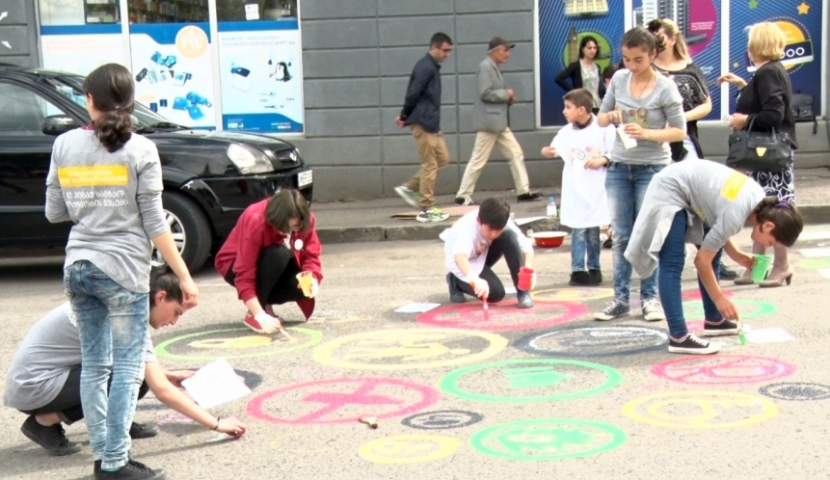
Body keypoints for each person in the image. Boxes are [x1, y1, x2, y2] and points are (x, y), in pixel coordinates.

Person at [45, 63, 199, 480]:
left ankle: (105, 458)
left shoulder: (64, 145)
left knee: (96, 367)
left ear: (88, 100)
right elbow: (155, 220)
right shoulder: (141, 150)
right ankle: (114, 462)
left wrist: (89, 202)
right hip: (123, 271)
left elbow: (54, 211)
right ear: (131, 103)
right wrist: (183, 274)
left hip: (77, 267)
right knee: (128, 369)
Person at [3, 270, 247, 458]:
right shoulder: (125, 318)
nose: (174, 322)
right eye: (176, 312)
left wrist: (166, 373)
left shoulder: (126, 303)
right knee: (132, 376)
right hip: (34, 388)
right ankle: (43, 423)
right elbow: (161, 391)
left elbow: (141, 364)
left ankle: (116, 423)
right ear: (161, 297)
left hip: (45, 380)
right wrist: (217, 424)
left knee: (138, 376)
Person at [625, 159, 803, 354]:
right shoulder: (737, 213)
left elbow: (719, 224)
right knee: (672, 263)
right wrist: (720, 298)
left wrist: (739, 256)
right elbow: (701, 261)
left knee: (713, 253)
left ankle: (714, 319)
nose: (766, 246)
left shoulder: (757, 199)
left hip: (689, 188)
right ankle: (679, 336)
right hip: (671, 190)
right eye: (770, 242)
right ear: (769, 225)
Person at [594, 27, 686, 322]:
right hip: (620, 166)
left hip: (653, 168)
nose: (631, 66)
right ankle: (620, 299)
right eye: (626, 59)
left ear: (653, 55)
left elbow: (679, 131)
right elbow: (600, 116)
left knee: (647, 236)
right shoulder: (619, 79)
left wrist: (646, 132)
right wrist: (610, 117)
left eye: (638, 60)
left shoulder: (665, 87)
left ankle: (649, 299)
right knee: (620, 236)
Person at [647, 18, 740, 280]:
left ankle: (714, 258)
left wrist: (681, 118)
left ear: (672, 39)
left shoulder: (689, 68)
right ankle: (657, 265)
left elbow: (706, 104)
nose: (656, 42)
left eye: (660, 37)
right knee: (661, 204)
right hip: (653, 143)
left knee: (701, 203)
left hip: (684, 142)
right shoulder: (647, 69)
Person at [718, 22, 798, 288]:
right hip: (767, 155)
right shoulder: (770, 71)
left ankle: (780, 266)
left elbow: (773, 113)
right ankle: (759, 266)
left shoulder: (768, 73)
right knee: (762, 211)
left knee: (774, 213)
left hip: (769, 157)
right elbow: (766, 104)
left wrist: (744, 120)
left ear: (755, 46)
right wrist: (744, 86)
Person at [215, 189, 322, 335]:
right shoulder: (256, 220)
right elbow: (244, 273)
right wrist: (258, 314)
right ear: (275, 220)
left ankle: (265, 302)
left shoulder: (306, 220)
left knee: (303, 289)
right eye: (283, 228)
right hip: (234, 265)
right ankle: (256, 311)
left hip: (272, 266)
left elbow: (311, 255)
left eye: (294, 227)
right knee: (279, 254)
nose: (288, 232)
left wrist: (312, 277)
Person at [455, 37, 541, 206]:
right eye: (505, 50)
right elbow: (485, 93)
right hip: (490, 123)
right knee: (478, 160)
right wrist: (506, 94)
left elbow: (492, 93)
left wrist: (507, 98)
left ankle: (523, 191)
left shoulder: (492, 67)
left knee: (516, 153)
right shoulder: (485, 67)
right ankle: (462, 194)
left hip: (498, 123)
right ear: (494, 51)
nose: (508, 54)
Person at [542, 88, 614, 286]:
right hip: (576, 188)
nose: (564, 112)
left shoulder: (603, 128)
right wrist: (548, 151)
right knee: (579, 229)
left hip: (595, 187)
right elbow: (555, 147)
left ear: (581, 109)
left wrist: (602, 160)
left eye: (568, 107)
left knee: (593, 228)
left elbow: (614, 152)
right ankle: (578, 269)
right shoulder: (566, 132)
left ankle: (594, 267)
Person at [393, 32, 454, 223]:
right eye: (445, 50)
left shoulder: (432, 67)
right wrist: (404, 116)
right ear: (434, 48)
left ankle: (410, 187)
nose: (447, 54)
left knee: (443, 159)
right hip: (423, 122)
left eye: (449, 51)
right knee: (430, 164)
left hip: (431, 124)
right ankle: (426, 208)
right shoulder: (425, 67)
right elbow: (412, 94)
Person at [444, 197, 536, 309]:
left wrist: (528, 271)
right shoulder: (467, 229)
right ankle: (455, 280)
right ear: (479, 221)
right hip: (462, 262)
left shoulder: (502, 220)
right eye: (490, 229)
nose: (493, 234)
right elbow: (459, 257)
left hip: (481, 254)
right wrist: (475, 279)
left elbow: (525, 245)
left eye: (498, 230)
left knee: (509, 236)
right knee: (495, 294)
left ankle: (522, 291)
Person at [555, 36, 606, 112]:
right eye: (589, 48)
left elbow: (599, 87)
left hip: (597, 104)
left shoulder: (597, 67)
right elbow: (559, 79)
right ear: (583, 49)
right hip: (582, 104)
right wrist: (574, 92)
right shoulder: (576, 65)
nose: (592, 50)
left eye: (595, 48)